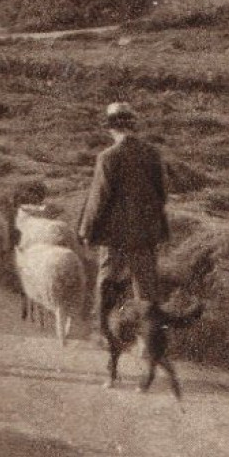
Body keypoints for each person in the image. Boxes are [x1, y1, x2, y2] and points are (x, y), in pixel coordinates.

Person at [77, 101, 171, 343]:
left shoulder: (108, 157)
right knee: (146, 289)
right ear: (133, 126)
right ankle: (147, 342)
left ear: (111, 128)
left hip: (115, 237)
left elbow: (98, 198)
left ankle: (104, 334)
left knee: (107, 282)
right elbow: (162, 194)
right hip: (146, 235)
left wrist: (86, 230)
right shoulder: (152, 154)